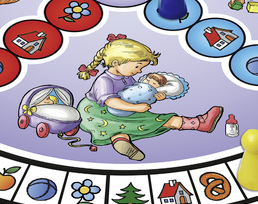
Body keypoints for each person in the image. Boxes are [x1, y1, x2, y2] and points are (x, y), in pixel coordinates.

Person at [76, 36, 220, 160]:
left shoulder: (127, 77)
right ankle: (198, 123)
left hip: (122, 108)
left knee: (121, 127)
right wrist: (135, 108)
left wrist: (154, 97)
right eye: (137, 66)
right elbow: (110, 101)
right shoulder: (104, 80)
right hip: (94, 112)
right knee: (150, 119)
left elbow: (134, 94)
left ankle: (120, 141)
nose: (139, 71)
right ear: (116, 63)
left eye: (141, 68)